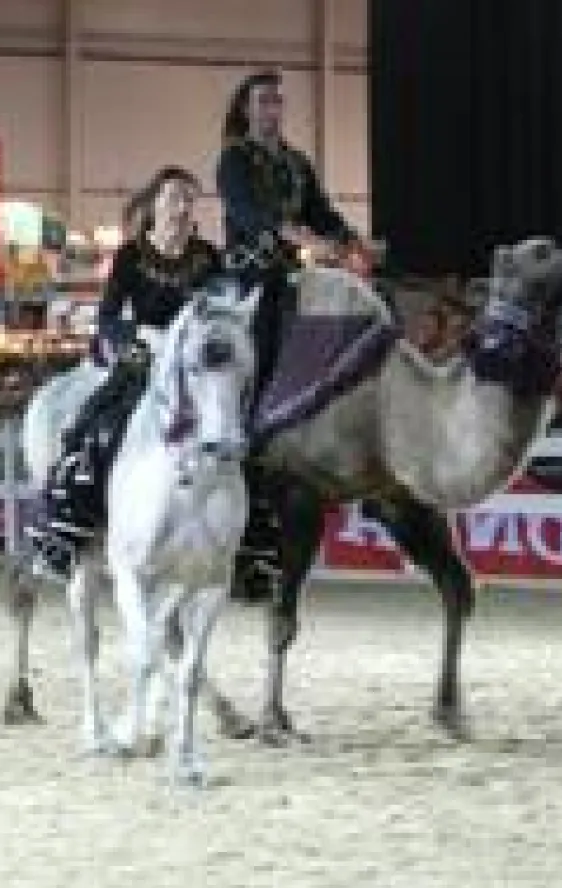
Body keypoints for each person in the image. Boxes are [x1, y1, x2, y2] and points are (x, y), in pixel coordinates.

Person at [215, 69, 367, 600]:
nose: (273, 106)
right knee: (253, 342)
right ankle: (241, 417)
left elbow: (320, 210)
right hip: (251, 275)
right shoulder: (233, 159)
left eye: (278, 99)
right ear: (246, 108)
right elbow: (245, 211)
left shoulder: (296, 162)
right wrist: (292, 234)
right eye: (263, 99)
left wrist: (349, 239)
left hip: (295, 275)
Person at [42, 166, 224, 540]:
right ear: (154, 204)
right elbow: (108, 318)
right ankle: (68, 514)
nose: (183, 206)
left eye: (190, 199)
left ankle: (253, 536)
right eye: (174, 197)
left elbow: (221, 307)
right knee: (92, 422)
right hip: (143, 357)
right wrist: (140, 334)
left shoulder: (207, 257)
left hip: (193, 363)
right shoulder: (130, 256)